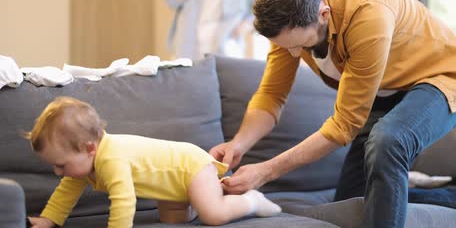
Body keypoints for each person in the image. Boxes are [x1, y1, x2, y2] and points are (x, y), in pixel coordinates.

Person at [209, 0, 456, 228]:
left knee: (387, 142)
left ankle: (394, 174)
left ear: (323, 14)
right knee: (356, 198)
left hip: (440, 79)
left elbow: (344, 126)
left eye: (301, 45)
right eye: (286, 46)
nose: (294, 53)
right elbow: (271, 94)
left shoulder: (366, 12)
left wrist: (266, 170)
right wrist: (239, 145)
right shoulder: (288, 15)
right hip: (384, 91)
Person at [25, 97, 280, 228]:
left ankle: (250, 200)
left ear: (89, 148)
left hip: (189, 168)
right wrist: (49, 220)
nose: (57, 172)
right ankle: (211, 192)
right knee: (173, 220)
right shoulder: (85, 163)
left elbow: (124, 201)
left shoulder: (112, 157)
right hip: (172, 185)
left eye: (61, 165)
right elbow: (65, 194)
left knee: (212, 215)